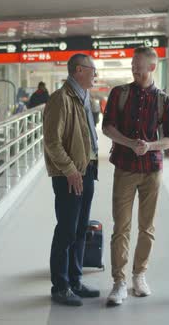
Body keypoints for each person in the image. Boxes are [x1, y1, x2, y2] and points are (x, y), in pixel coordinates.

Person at [102, 47, 169, 306]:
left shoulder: (164, 101)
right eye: (133, 65)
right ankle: (119, 282)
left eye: (139, 66)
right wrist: (128, 143)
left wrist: (150, 146)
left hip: (152, 171)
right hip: (124, 168)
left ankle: (139, 275)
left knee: (147, 227)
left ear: (152, 67)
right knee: (120, 227)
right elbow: (107, 127)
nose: (134, 69)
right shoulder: (119, 94)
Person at [43, 53, 100, 306]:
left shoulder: (84, 97)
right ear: (79, 70)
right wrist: (70, 170)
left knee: (79, 230)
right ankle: (60, 286)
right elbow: (52, 142)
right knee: (66, 231)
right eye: (92, 69)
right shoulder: (60, 99)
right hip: (69, 176)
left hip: (86, 171)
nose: (95, 74)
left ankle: (75, 281)